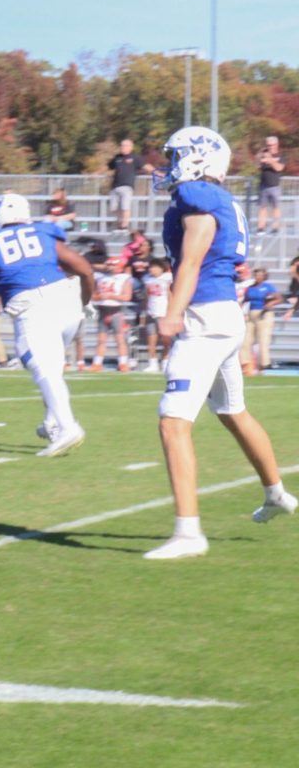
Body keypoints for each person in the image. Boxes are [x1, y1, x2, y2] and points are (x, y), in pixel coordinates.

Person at [146, 125, 296, 560]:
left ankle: (189, 533)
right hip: (222, 315)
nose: (169, 167)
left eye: (176, 157)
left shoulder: (201, 198)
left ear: (198, 159)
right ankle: (276, 493)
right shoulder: (214, 198)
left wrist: (173, 313)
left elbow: (192, 259)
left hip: (204, 318)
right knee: (233, 411)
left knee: (173, 422)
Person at [0, 193, 94, 457]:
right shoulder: (44, 233)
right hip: (67, 303)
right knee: (51, 368)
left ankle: (67, 427)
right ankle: (53, 422)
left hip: (32, 308)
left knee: (43, 369)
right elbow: (85, 270)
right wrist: (83, 304)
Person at [89, 256, 133, 372]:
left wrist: (111, 296)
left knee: (120, 339)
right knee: (101, 340)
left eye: (113, 265)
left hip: (116, 312)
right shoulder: (99, 277)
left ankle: (123, 363)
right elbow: (92, 295)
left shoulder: (124, 278)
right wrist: (100, 297)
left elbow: (127, 296)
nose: (111, 267)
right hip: (103, 311)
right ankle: (97, 363)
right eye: (109, 265)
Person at [241, 268, 281, 372]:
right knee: (246, 340)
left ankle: (264, 364)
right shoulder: (250, 288)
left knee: (263, 339)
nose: (257, 277)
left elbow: (279, 298)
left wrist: (270, 304)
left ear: (264, 276)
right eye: (256, 275)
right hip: (251, 313)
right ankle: (244, 362)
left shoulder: (268, 287)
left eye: (260, 275)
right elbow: (245, 300)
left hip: (264, 314)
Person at [107, 139, 153, 231]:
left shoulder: (135, 158)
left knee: (125, 206)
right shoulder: (117, 157)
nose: (123, 147)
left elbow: (147, 167)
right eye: (121, 145)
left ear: (131, 147)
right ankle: (119, 224)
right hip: (115, 186)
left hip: (127, 186)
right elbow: (110, 166)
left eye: (125, 145)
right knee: (113, 208)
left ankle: (124, 225)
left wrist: (158, 173)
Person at [141, 258, 173, 373]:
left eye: (155, 267)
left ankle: (165, 360)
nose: (152, 269)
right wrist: (144, 312)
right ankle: (152, 362)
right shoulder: (147, 279)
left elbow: (170, 294)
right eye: (151, 267)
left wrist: (171, 310)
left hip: (163, 311)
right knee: (151, 338)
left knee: (166, 338)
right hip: (151, 311)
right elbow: (146, 296)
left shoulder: (167, 278)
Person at [255, 136, 285, 236]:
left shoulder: (280, 156)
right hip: (263, 186)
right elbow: (257, 166)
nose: (270, 147)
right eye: (268, 145)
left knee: (275, 207)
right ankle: (261, 227)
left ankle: (275, 227)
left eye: (271, 145)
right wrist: (260, 156)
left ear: (276, 145)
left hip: (275, 186)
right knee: (262, 208)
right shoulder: (263, 155)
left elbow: (279, 168)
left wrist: (271, 160)